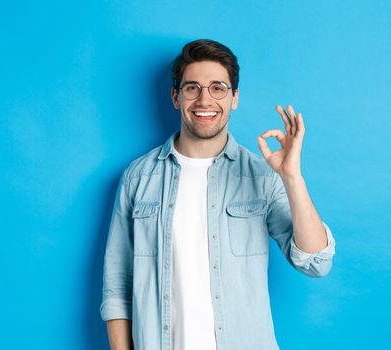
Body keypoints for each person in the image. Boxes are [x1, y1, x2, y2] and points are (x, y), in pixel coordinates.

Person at [100, 39, 336, 350]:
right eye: (192, 88)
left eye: (218, 88)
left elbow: (315, 262)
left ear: (234, 97)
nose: (204, 100)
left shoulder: (262, 175)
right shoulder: (139, 178)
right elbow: (117, 287)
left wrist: (292, 178)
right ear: (175, 96)